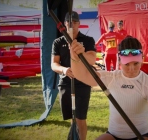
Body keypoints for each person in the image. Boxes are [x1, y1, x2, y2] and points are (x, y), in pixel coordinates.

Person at [70, 36, 148, 140]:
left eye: (136, 63)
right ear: (119, 61)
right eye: (127, 64)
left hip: (141, 136)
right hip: (113, 135)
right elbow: (82, 75)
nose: (132, 68)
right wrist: (75, 59)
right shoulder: (112, 77)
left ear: (142, 59)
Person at [51, 11, 96, 140]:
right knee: (72, 117)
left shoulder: (87, 40)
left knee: (81, 118)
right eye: (69, 22)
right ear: (65, 24)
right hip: (66, 83)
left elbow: (92, 59)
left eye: (75, 22)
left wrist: (81, 54)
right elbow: (54, 65)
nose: (72, 25)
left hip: (82, 83)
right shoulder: (58, 42)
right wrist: (64, 70)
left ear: (79, 24)